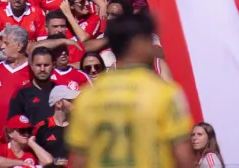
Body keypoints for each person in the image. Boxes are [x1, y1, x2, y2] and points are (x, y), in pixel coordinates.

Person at [66, 14, 195, 168]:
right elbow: (183, 156)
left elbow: (80, 161)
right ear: (137, 43)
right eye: (149, 40)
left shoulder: (87, 97)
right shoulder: (163, 93)